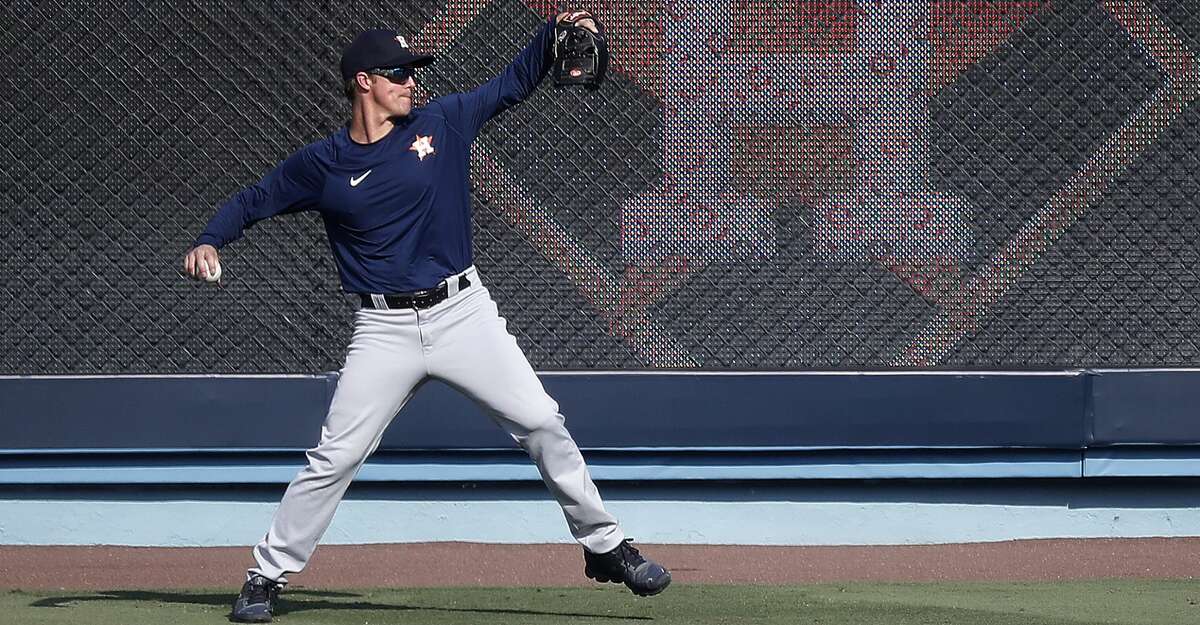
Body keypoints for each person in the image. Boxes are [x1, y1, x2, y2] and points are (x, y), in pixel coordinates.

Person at [181, 10, 670, 624]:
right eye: (399, 73)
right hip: (383, 329)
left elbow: (510, 83)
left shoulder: (442, 122)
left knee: (543, 422)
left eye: (413, 72)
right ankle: (265, 576)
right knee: (335, 457)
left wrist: (554, 30)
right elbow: (255, 199)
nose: (412, 82)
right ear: (364, 82)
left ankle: (605, 547)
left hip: (463, 312)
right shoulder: (324, 163)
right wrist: (210, 239)